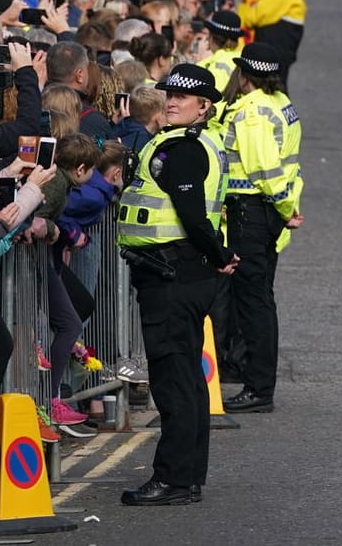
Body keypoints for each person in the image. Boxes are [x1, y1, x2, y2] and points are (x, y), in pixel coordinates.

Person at [117, 64, 231, 507]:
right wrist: (219, 256)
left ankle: (174, 479)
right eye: (168, 94)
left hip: (173, 276)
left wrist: (221, 255)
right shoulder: (189, 142)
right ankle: (187, 477)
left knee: (173, 382)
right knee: (185, 379)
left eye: (182, 97)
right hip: (182, 272)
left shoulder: (183, 148)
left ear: (204, 107)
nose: (172, 101)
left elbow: (191, 214)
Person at [217, 44, 303, 414]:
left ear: (245, 74)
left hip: (252, 211)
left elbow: (266, 172)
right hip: (266, 213)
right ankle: (259, 383)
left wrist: (285, 208)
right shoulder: (279, 101)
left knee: (253, 304)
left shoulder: (251, 112)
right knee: (260, 300)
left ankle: (258, 388)